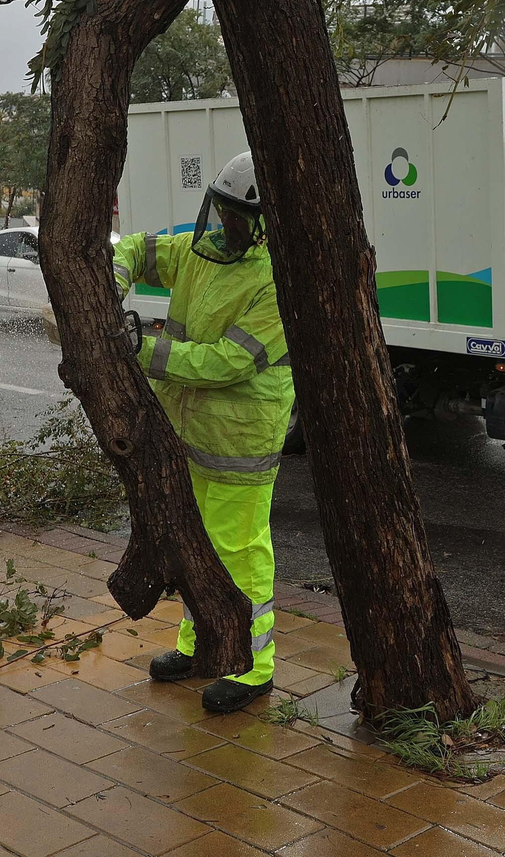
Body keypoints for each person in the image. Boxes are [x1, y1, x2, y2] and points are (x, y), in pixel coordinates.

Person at [112, 151, 293, 713]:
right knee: (192, 548)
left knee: (238, 552)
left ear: (264, 224)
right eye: (222, 211)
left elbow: (224, 363)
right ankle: (198, 647)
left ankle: (253, 667)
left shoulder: (275, 280)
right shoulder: (200, 253)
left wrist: (139, 349)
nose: (224, 226)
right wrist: (111, 286)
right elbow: (134, 249)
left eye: (238, 218)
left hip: (242, 445)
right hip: (188, 436)